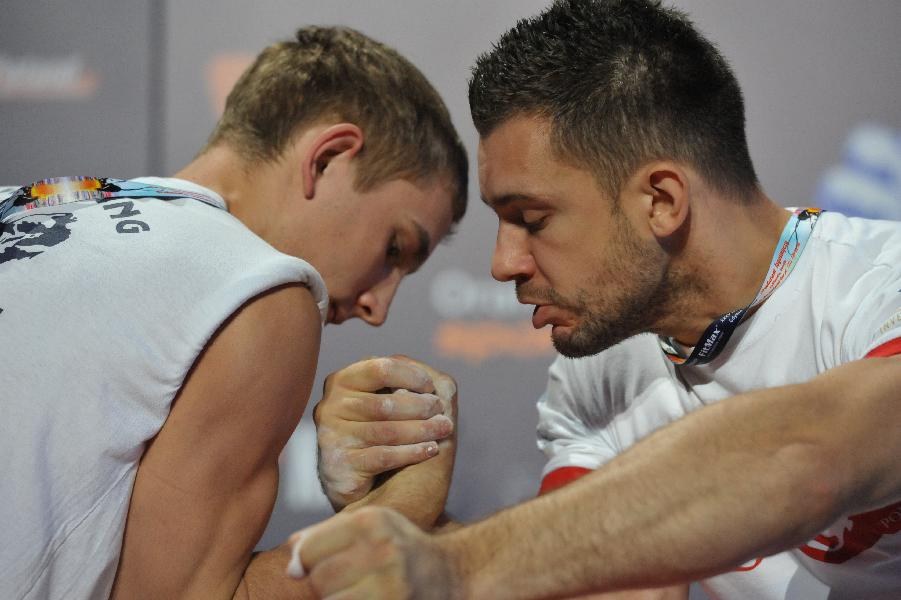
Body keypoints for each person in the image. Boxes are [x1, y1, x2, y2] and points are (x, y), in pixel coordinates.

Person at [294, 1, 901, 598]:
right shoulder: (597, 374)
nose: (503, 263)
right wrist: (406, 518)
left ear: (661, 200)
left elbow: (811, 457)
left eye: (531, 218)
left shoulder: (880, 288)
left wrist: (456, 566)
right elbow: (595, 585)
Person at [0, 25, 466, 599]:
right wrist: (401, 508)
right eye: (395, 248)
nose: (378, 306)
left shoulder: (17, 204)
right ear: (328, 159)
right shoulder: (259, 291)